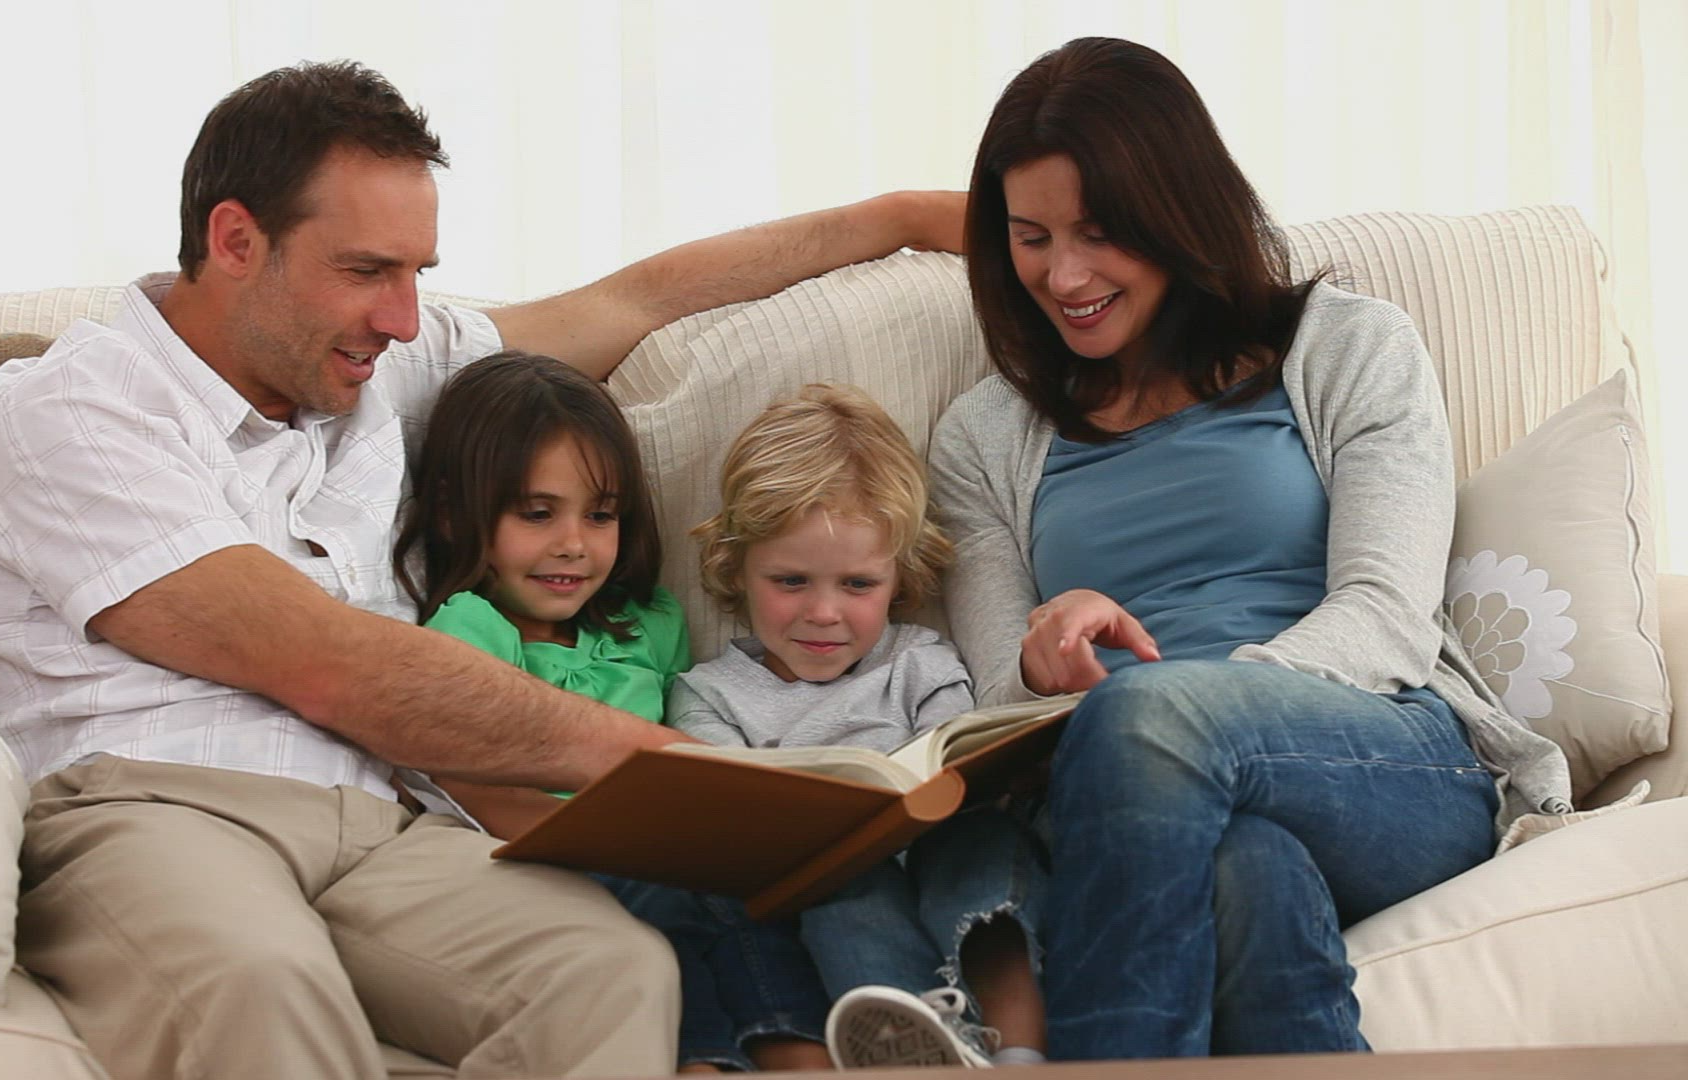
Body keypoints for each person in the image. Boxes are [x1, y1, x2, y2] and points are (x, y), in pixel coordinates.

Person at [0, 60, 963, 1080]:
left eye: (417, 273)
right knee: (260, 978)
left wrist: (905, 216)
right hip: (156, 807)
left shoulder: (372, 367)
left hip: (385, 825)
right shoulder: (75, 413)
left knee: (609, 970)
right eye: (366, 271)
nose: (401, 318)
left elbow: (639, 297)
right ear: (236, 240)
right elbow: (333, 664)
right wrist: (690, 774)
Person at [921, 37, 1574, 1060]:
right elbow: (1001, 699)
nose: (1064, 275)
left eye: (1099, 233)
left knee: (1151, 718)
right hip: (1124, 801)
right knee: (1249, 873)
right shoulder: (980, 437)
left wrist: (1196, 710)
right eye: (1031, 237)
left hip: (1377, 759)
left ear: (1178, 211)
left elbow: (1386, 616)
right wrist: (1043, 663)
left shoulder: (1354, 347)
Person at [393, 350, 834, 1073]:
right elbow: (470, 786)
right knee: (666, 910)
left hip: (664, 850)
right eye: (537, 514)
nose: (574, 544)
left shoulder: (648, 622)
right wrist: (600, 844)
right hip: (553, 863)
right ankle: (709, 1060)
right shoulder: (469, 630)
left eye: (600, 515)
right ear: (451, 512)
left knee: (750, 904)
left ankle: (800, 1050)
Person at [671, 385, 1051, 1070]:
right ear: (736, 567)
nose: (824, 613)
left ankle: (1021, 1052)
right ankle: (922, 1041)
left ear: (898, 577)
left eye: (857, 585)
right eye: (791, 581)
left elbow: (956, 755)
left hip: (940, 848)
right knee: (842, 888)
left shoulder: (921, 660)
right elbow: (730, 816)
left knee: (983, 845)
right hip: (830, 872)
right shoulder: (711, 695)